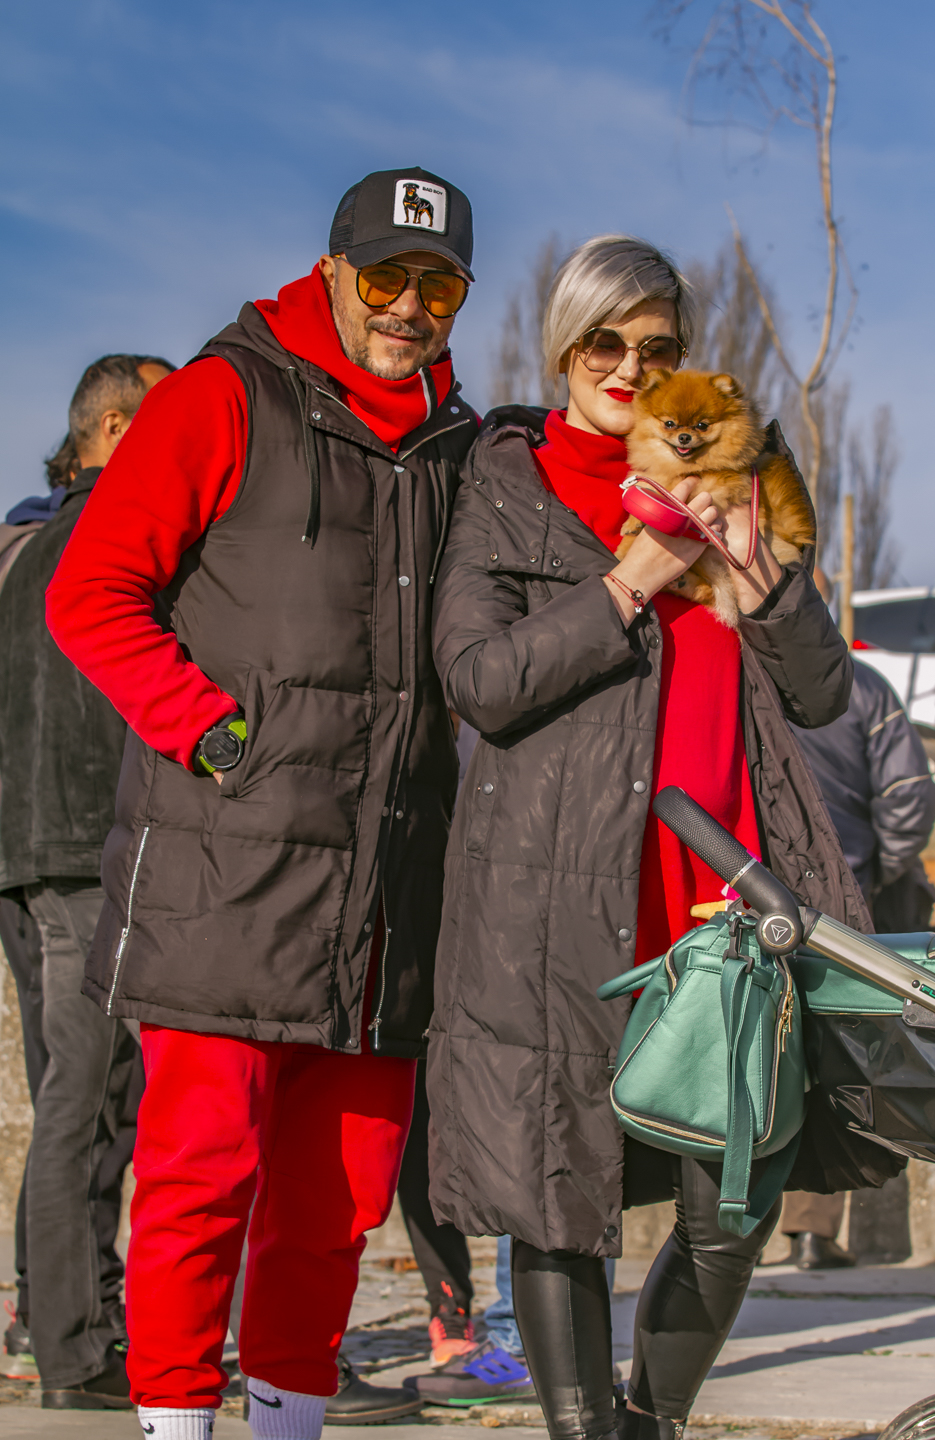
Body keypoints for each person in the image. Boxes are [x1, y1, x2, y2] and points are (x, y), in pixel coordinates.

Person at [46, 167, 479, 1440]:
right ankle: (176, 1424)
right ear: (335, 270)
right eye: (387, 277)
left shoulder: (457, 445)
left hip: (384, 899)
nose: (409, 306)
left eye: (438, 284)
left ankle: (288, 1423)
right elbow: (93, 597)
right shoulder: (222, 397)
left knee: (336, 1201)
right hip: (220, 878)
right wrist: (215, 735)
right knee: (196, 1182)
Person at [426, 234, 871, 1440]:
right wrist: (628, 580)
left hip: (723, 900)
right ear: (564, 349)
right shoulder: (505, 483)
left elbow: (824, 695)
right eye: (603, 344)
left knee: (733, 1200)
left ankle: (647, 1418)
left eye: (656, 346)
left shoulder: (724, 475)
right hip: (551, 897)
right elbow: (478, 676)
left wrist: (758, 575)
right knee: (553, 1192)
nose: (628, 366)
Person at [0, 355, 173, 1405]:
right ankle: (74, 1352)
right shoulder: (120, 532)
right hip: (80, 856)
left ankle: (55, 1321)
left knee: (73, 1094)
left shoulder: (15, 544)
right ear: (110, 427)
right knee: (87, 1102)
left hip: (16, 865)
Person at [776, 569, 935, 1271]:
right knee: (838, 1059)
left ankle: (733, 1223)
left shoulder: (736, 681)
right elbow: (907, 803)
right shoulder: (864, 690)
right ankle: (812, 1229)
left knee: (755, 1052)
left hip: (743, 902)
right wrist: (868, 875)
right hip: (841, 909)